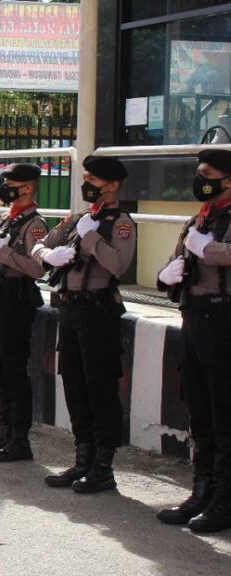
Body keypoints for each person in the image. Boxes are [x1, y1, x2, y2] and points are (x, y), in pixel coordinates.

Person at [32, 155, 134, 493]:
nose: (86, 183)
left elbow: (119, 265)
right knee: (74, 384)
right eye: (85, 176)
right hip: (69, 310)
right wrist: (46, 255)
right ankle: (82, 458)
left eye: (92, 178)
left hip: (98, 312)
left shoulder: (120, 223)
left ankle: (103, 466)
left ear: (112, 185)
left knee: (100, 387)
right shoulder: (77, 218)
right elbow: (41, 244)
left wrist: (91, 239)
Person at [155, 149, 231, 532]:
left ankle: (224, 500)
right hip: (194, 318)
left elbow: (219, 255)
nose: (200, 178)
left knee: (224, 414)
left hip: (224, 320)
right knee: (199, 411)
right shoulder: (196, 219)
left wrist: (211, 251)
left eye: (208, 173)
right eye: (199, 172)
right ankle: (201, 490)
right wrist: (167, 274)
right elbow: (175, 259)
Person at [0, 163, 48, 460]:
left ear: (27, 188)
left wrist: (5, 254)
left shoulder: (34, 225)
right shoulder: (6, 219)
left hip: (17, 298)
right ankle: (3, 434)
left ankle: (20, 440)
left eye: (11, 183)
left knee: (14, 370)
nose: (6, 187)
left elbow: (37, 268)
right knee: (0, 368)